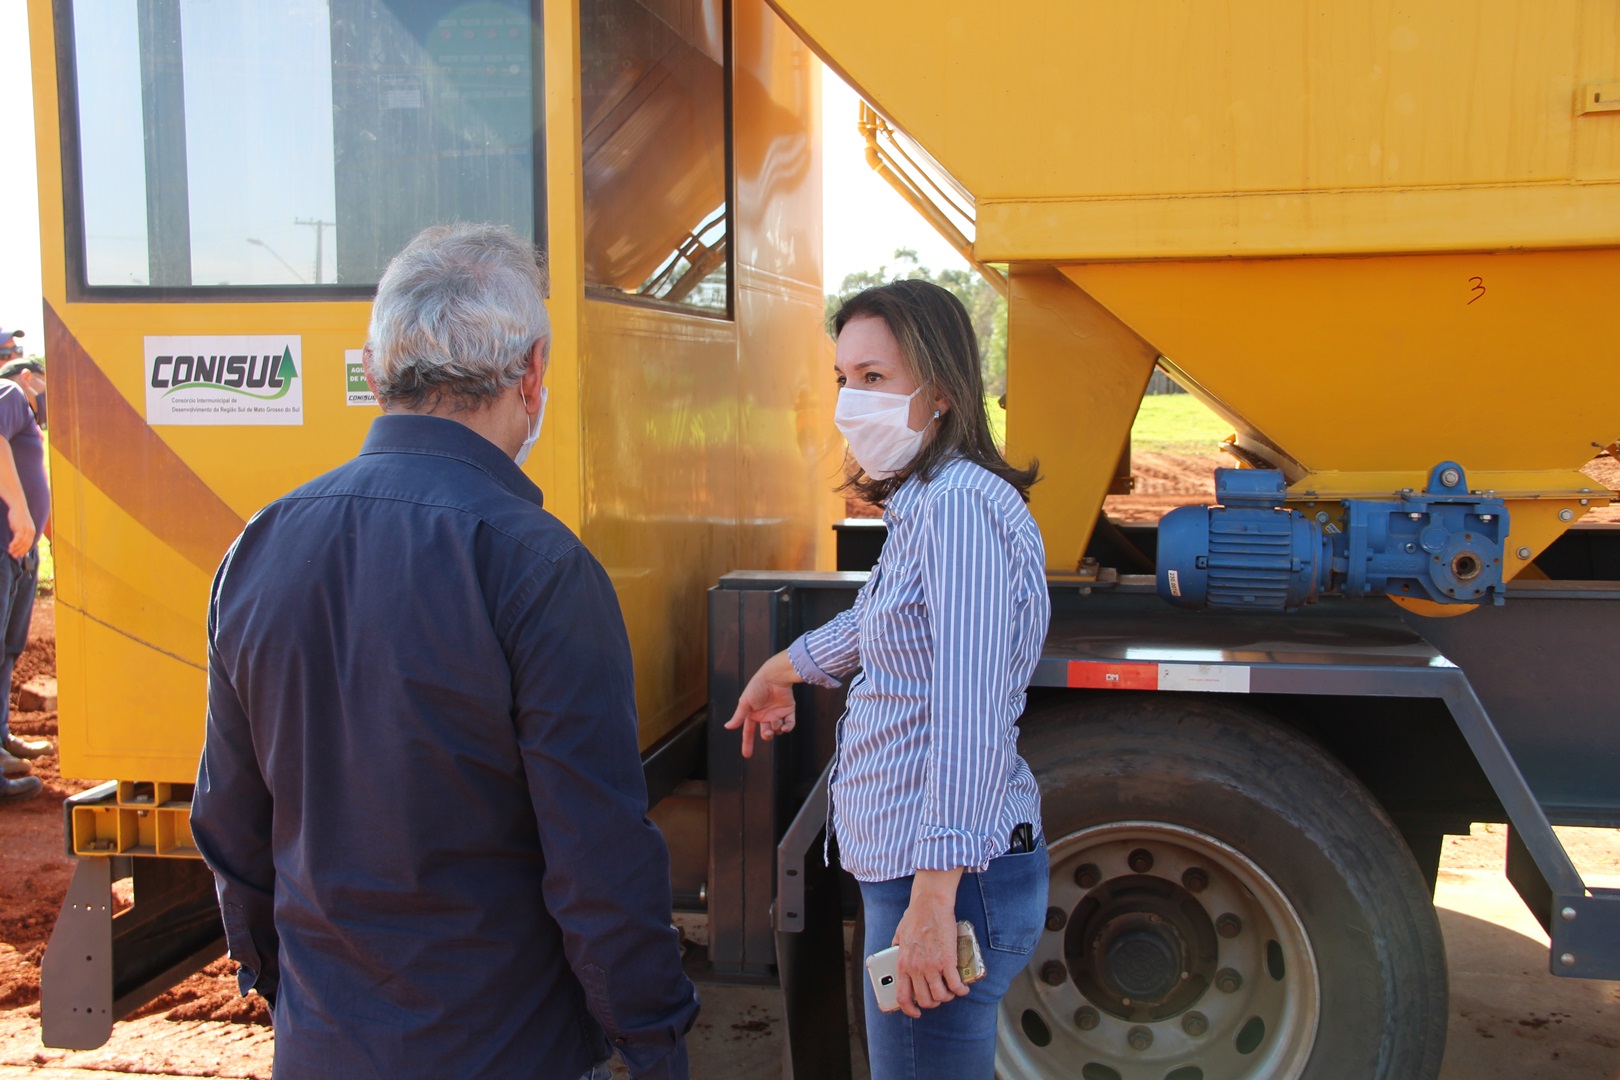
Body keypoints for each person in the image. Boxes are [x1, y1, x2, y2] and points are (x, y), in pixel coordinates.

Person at [191, 224, 699, 1080]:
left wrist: (285, 991)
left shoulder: (258, 546)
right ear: (531, 373)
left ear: (374, 369)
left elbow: (230, 824)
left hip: (321, 1046)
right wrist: (656, 1042)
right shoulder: (539, 566)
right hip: (504, 1046)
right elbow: (598, 860)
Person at [726, 279, 1052, 1079]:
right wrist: (783, 668)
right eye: (844, 378)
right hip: (923, 870)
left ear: (940, 390)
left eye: (874, 377)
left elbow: (970, 712)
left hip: (943, 878)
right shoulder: (929, 501)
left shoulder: (960, 509)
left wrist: (933, 902)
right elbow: (884, 619)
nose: (851, 402)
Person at [0, 344, 51, 803]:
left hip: (19, 551)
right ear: (28, 377)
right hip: (5, 543)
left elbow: (35, 478)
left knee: (7, 650)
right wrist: (18, 509)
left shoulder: (26, 417)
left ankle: (1, 741)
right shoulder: (10, 394)